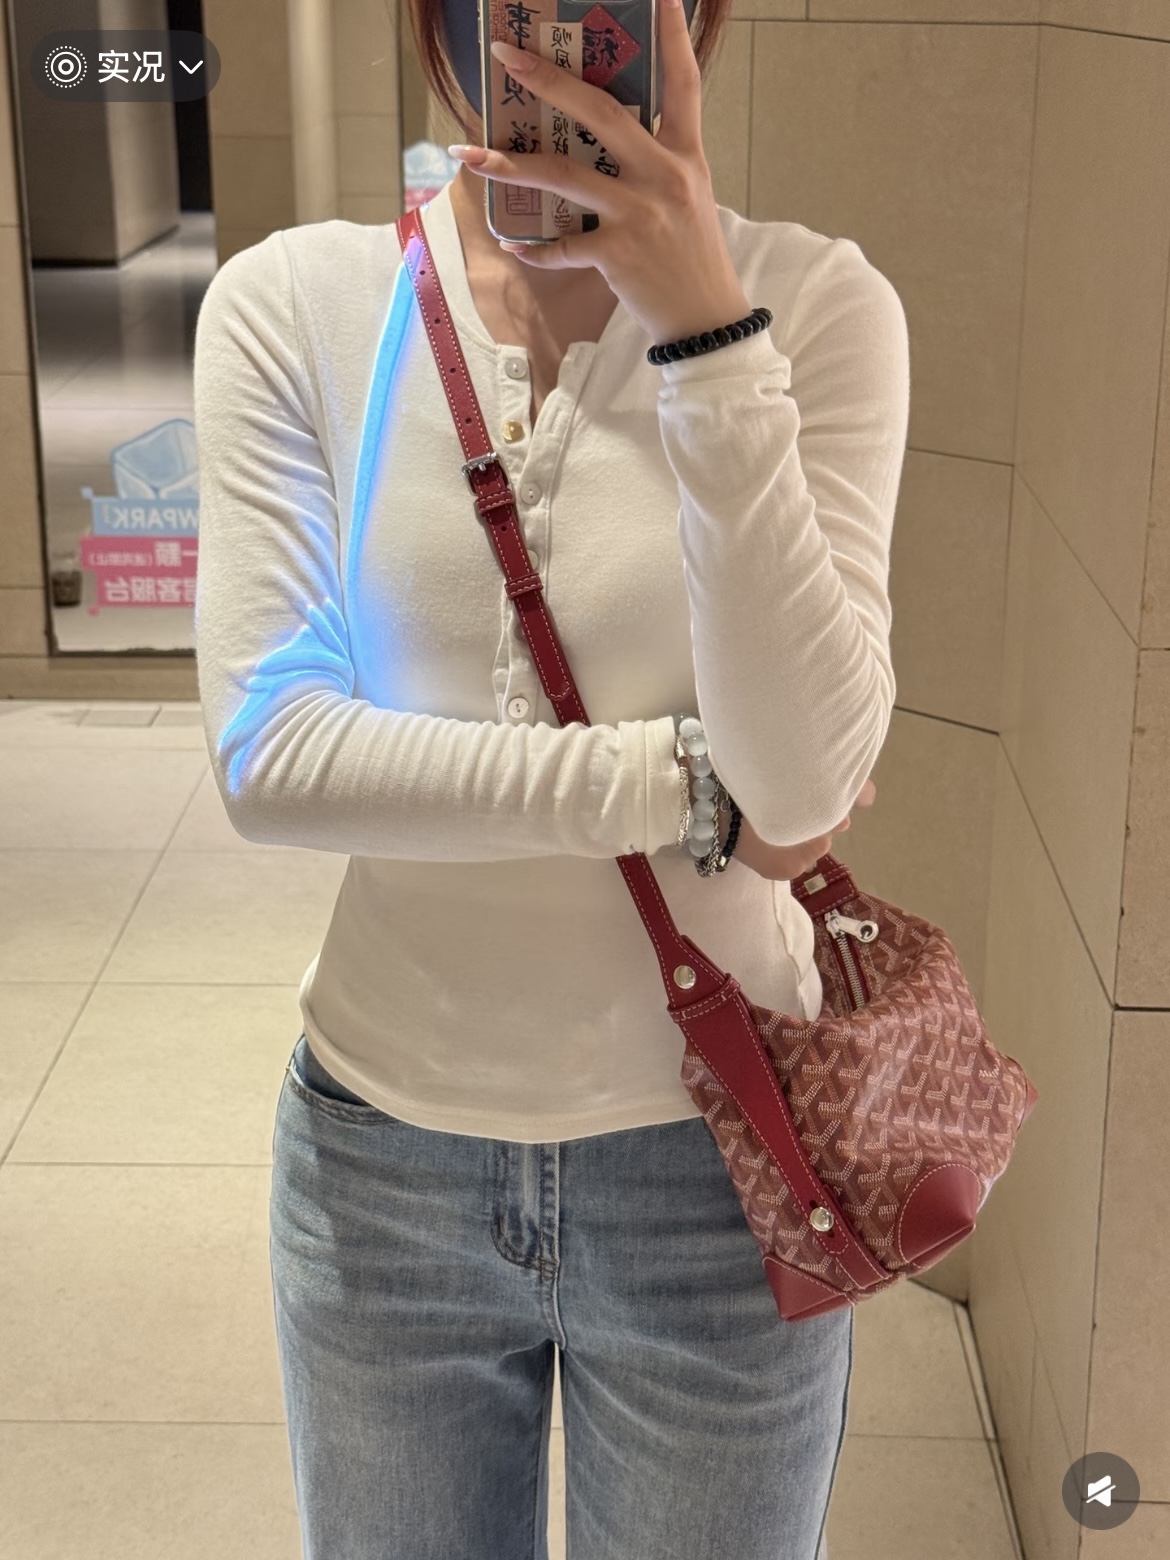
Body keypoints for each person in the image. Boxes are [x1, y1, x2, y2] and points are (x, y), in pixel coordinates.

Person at [192, 0, 909, 1552]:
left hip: (725, 1174)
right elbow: (275, 757)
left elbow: (796, 789)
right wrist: (679, 783)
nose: (553, 40)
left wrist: (705, 335)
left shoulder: (813, 303)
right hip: (384, 1161)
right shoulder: (296, 304)